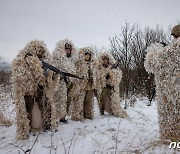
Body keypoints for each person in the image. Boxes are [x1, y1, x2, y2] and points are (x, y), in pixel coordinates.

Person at [12, 40, 56, 140]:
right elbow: (19, 74)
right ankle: (26, 129)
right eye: (39, 50)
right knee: (27, 108)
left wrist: (48, 77)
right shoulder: (24, 58)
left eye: (42, 50)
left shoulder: (44, 61)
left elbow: (46, 76)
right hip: (27, 89)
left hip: (40, 88)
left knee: (45, 105)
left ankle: (47, 125)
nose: (41, 52)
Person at [144, 24, 180, 142]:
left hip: (172, 92)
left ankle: (173, 140)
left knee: (172, 115)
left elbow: (150, 63)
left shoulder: (170, 50)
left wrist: (156, 49)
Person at [95, 52, 128, 118]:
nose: (105, 61)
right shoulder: (99, 68)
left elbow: (117, 78)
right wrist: (104, 78)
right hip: (103, 88)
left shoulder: (112, 68)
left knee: (111, 102)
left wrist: (111, 74)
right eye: (103, 59)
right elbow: (98, 78)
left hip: (111, 88)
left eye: (106, 59)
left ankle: (113, 111)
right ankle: (101, 112)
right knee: (101, 100)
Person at [51, 39, 77, 123]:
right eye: (66, 49)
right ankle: (54, 118)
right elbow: (52, 70)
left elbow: (72, 71)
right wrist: (59, 76)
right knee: (55, 100)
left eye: (69, 49)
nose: (68, 51)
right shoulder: (56, 58)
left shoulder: (70, 60)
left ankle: (62, 117)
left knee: (64, 100)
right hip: (57, 83)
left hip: (67, 83)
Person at [71, 47, 96, 121]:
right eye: (86, 55)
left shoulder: (93, 64)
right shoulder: (79, 63)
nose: (87, 56)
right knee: (79, 101)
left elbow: (96, 74)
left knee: (89, 101)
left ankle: (88, 116)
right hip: (81, 85)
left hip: (90, 85)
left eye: (89, 55)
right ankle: (77, 116)